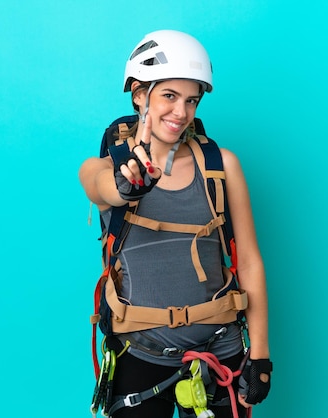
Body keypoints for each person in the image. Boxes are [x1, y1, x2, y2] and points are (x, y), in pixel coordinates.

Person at [79, 30, 271, 418]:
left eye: (191, 100)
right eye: (168, 96)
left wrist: (261, 356)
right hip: (140, 354)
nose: (181, 112)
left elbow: (248, 260)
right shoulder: (103, 167)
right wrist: (126, 185)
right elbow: (102, 189)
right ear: (138, 94)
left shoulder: (222, 166)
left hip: (221, 351)